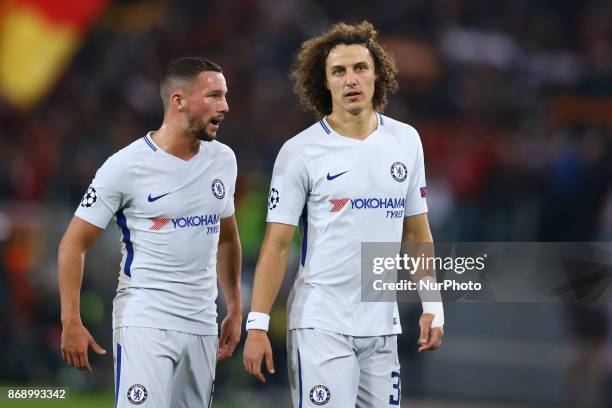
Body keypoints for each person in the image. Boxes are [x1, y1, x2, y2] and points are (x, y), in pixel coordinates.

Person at [243, 22, 444, 407]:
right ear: (325, 82)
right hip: (321, 324)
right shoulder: (300, 152)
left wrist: (432, 305)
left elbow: (418, 234)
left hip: (381, 327)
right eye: (339, 71)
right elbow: (277, 244)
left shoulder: (405, 141)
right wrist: (258, 325)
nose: (351, 79)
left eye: (360, 68)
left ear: (377, 75)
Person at [58, 57, 242, 407]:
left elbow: (228, 237)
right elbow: (73, 244)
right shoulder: (125, 166)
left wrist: (234, 305)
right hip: (145, 319)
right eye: (214, 96)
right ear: (179, 101)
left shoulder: (224, 160)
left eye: (225, 96)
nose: (225, 106)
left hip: (202, 323)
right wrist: (71, 320)